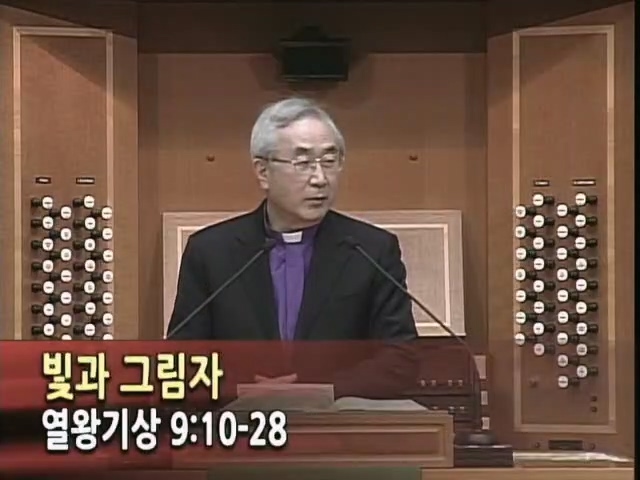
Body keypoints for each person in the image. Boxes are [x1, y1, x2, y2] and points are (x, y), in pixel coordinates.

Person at [167, 97, 418, 394]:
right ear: (263, 172)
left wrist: (319, 391)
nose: (320, 179)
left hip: (339, 418)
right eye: (303, 163)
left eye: (329, 161)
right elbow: (182, 360)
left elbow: (400, 360)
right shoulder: (211, 252)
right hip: (239, 419)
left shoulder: (371, 250)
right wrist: (240, 391)